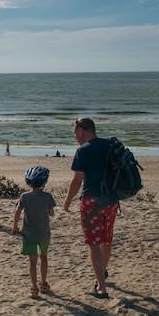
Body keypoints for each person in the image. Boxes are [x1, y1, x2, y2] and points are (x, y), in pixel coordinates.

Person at [63, 117, 116, 299]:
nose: (74, 136)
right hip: (111, 200)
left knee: (94, 244)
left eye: (75, 132)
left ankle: (101, 287)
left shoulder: (83, 150)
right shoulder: (110, 145)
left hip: (91, 201)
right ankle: (102, 271)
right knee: (106, 240)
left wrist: (67, 200)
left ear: (83, 130)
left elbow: (77, 180)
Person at [12, 166, 56, 298]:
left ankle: (34, 288)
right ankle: (43, 284)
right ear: (44, 182)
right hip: (43, 234)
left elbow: (17, 212)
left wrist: (15, 227)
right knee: (44, 258)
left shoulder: (24, 196)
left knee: (32, 261)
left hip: (28, 234)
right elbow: (52, 213)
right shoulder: (48, 197)